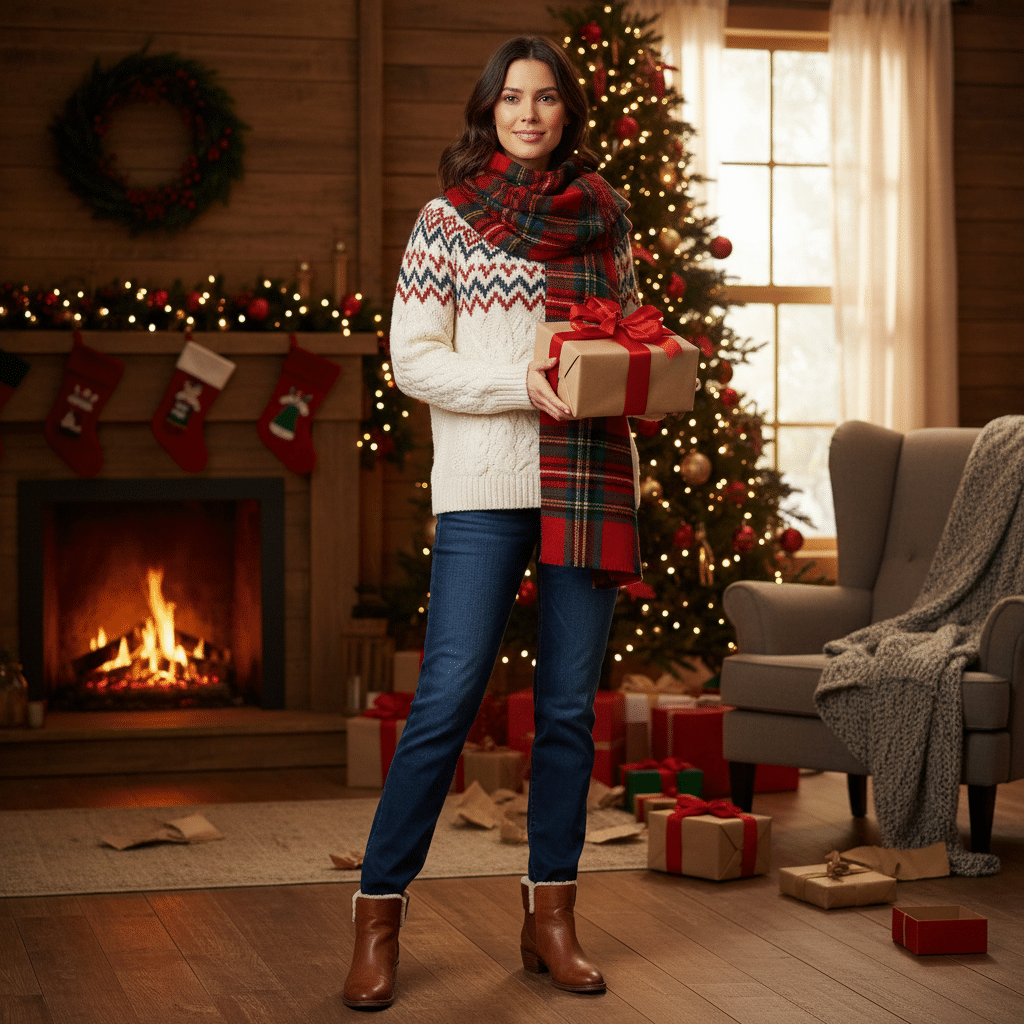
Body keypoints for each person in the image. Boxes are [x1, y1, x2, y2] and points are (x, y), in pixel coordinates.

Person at [342, 34, 643, 1010]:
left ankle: (550, 915)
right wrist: (519, 382)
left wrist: (635, 370)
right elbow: (413, 359)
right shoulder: (446, 223)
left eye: (545, 98)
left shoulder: (602, 220)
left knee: (564, 711)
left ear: (566, 114)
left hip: (588, 477)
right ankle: (377, 911)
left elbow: (626, 341)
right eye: (511, 97)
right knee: (445, 701)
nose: (528, 113)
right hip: (481, 485)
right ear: (488, 110)